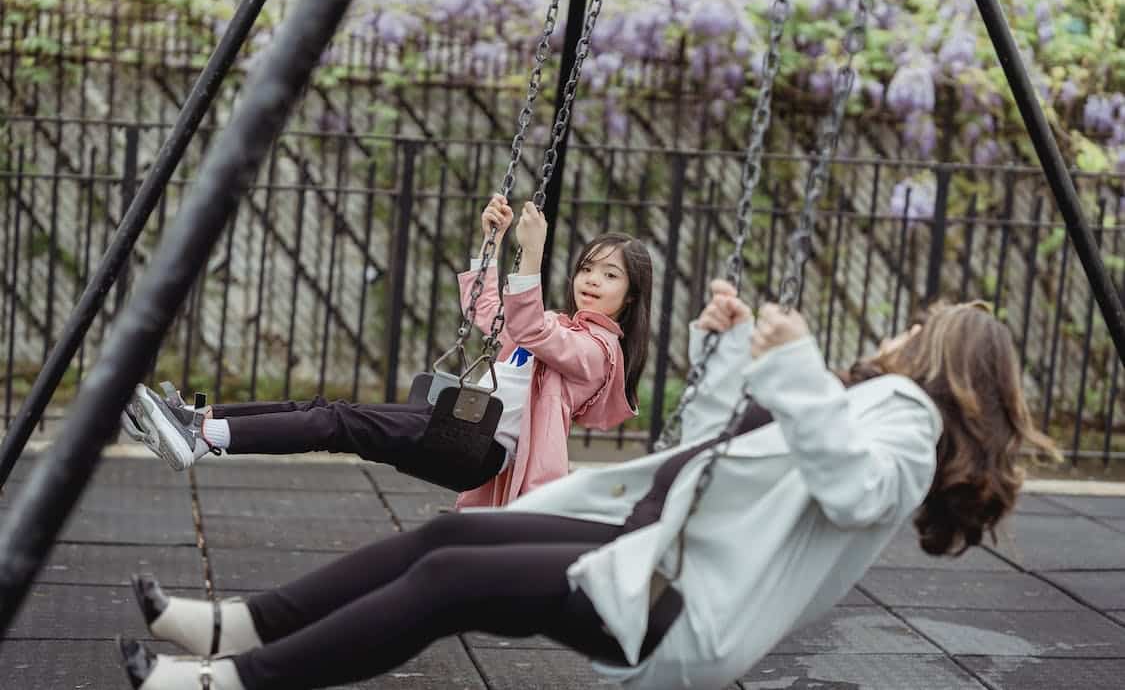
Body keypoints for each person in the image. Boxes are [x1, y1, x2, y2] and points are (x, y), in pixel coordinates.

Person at [117, 281, 1058, 690]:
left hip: (676, 601)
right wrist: (728, 350)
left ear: (935, 358)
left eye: (914, 330)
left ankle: (235, 675)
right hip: (645, 551)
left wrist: (804, 369)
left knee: (450, 584)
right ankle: (234, 625)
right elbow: (708, 452)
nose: (894, 338)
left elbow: (856, 492)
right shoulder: (862, 408)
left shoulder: (902, 419)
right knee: (442, 544)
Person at [121, 195, 653, 506]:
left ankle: (203, 437)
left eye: (610, 275)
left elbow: (532, 329)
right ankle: (198, 419)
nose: (592, 280)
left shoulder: (599, 356)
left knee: (338, 423)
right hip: (455, 425)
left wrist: (532, 252)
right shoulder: (557, 323)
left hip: (477, 446)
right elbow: (496, 317)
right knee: (322, 410)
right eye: (587, 268)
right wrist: (490, 243)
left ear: (629, 299)